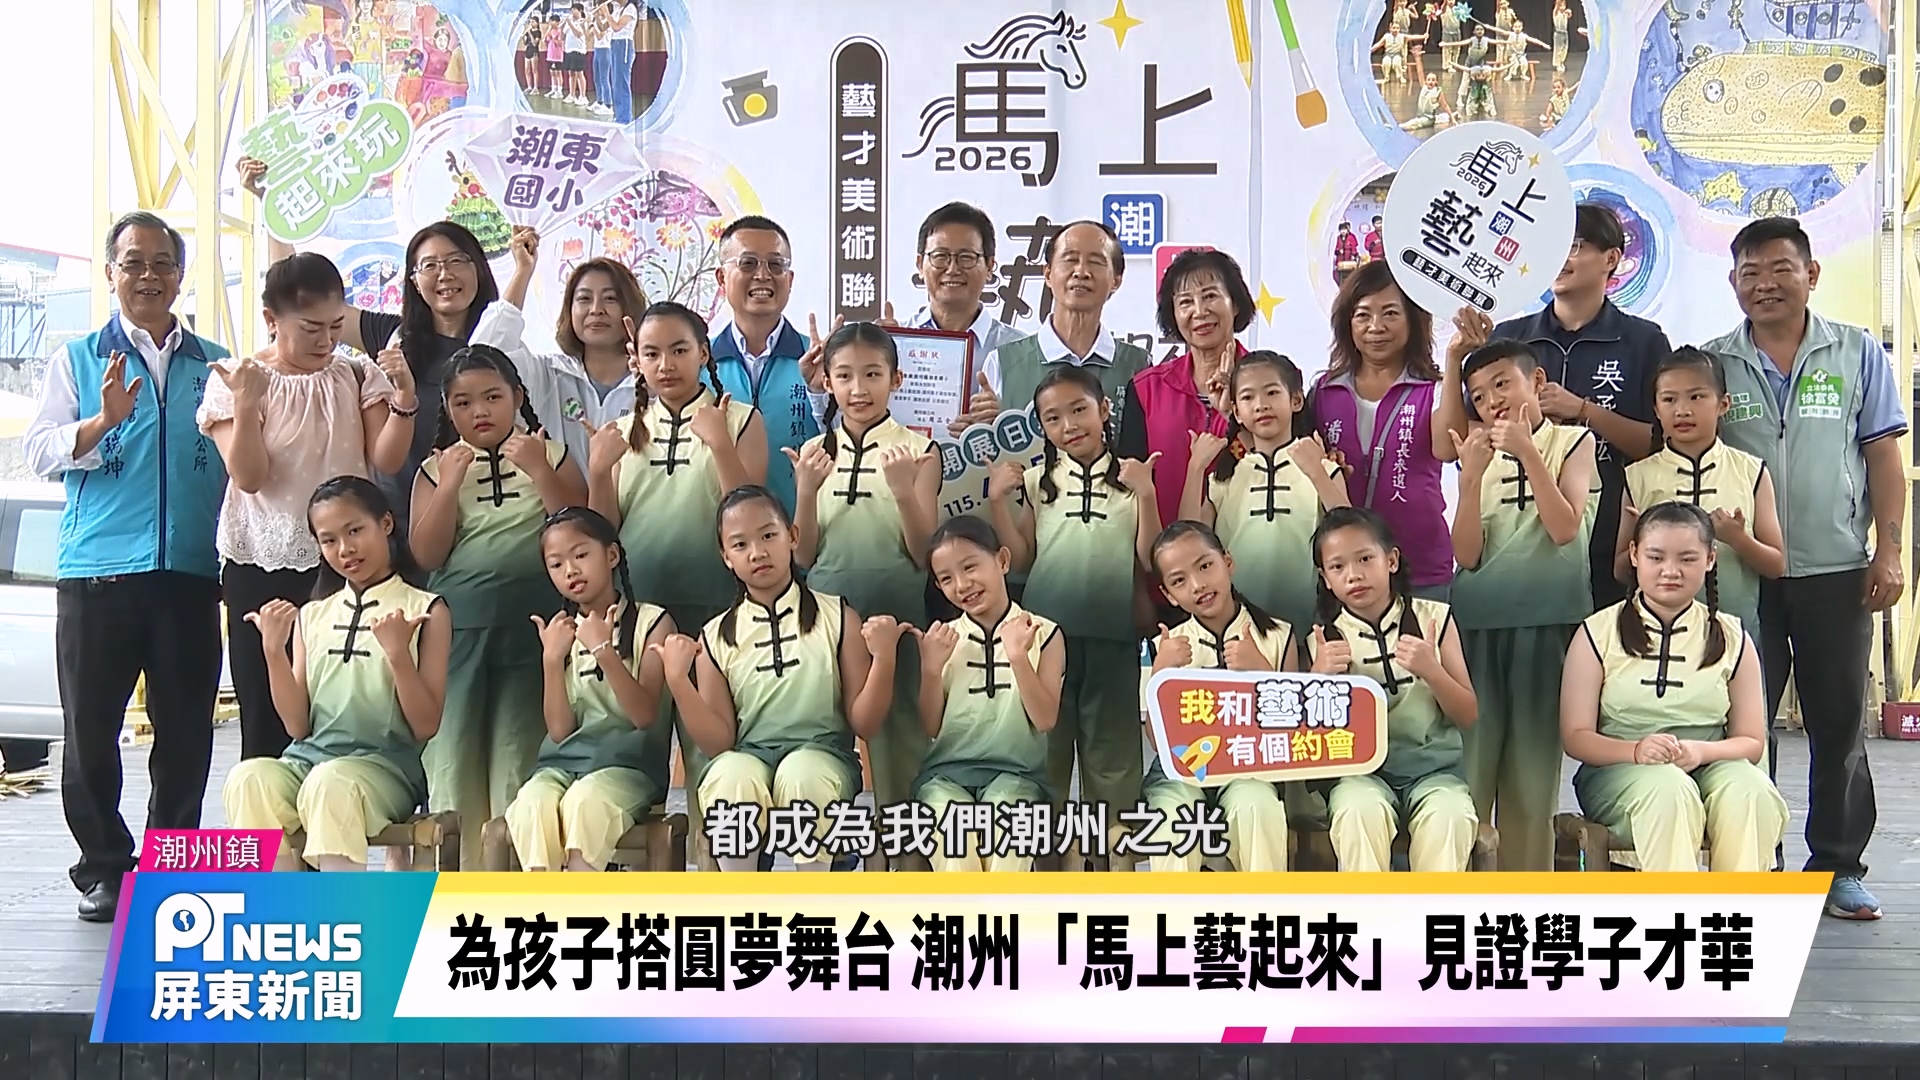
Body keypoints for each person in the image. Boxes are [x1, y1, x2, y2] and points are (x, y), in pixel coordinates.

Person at [23, 211, 229, 921]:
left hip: (190, 574)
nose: (148, 276)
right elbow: (39, 451)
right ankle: (105, 868)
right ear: (111, 272)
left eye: (162, 263)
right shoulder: (78, 357)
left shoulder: (216, 363)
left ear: (180, 274)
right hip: (98, 575)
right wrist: (102, 421)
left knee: (187, 733)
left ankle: (171, 866)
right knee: (89, 734)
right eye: (133, 262)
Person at [1705, 216, 1906, 919]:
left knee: (1839, 722)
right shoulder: (1715, 362)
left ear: (1811, 275)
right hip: (1744, 575)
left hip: (1837, 570)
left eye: (1780, 269)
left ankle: (1837, 867)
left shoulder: (1855, 351)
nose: (1765, 284)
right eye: (1750, 274)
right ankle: (1754, 860)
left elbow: (1883, 456)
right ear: (1733, 283)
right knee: (1744, 724)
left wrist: (1889, 550)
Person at [200, 253, 416, 762]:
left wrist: (404, 399)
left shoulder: (354, 373)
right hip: (262, 563)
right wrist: (247, 404)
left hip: (344, 562)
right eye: (311, 329)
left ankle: (340, 800)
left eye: (336, 326)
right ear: (272, 320)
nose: (326, 341)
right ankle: (267, 808)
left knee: (341, 697)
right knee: (266, 707)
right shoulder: (238, 380)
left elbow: (385, 457)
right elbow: (248, 477)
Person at [586, 301, 767, 840]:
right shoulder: (622, 430)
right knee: (636, 746)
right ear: (636, 360)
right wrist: (598, 471)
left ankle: (724, 871)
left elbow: (749, 512)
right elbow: (603, 533)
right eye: (652, 353)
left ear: (704, 354)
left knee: (716, 748)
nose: (665, 364)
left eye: (679, 350)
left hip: (718, 606)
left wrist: (719, 442)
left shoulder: (741, 419)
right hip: (640, 613)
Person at [240, 159, 504, 530]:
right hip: (393, 519)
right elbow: (299, 297)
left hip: (478, 518)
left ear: (479, 268)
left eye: (457, 261)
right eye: (429, 266)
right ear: (414, 281)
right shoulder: (392, 337)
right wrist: (270, 204)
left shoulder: (497, 343)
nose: (445, 275)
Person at [655, 485, 906, 871]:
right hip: (750, 758)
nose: (757, 552)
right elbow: (719, 742)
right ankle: (744, 899)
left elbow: (865, 724)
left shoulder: (837, 617)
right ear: (725, 557)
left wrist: (885, 659)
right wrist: (677, 680)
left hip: (824, 758)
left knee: (802, 773)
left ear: (792, 536)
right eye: (740, 545)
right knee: (729, 775)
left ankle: (811, 897)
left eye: (768, 535)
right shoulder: (716, 635)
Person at [411, 345, 589, 866]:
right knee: (452, 756)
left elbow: (581, 528)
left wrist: (539, 469)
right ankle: (457, 886)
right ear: (448, 409)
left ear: (517, 396)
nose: (479, 411)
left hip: (533, 628)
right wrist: (448, 485)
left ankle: (515, 885)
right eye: (463, 403)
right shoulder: (435, 468)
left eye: (492, 397)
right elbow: (427, 553)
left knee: (519, 756)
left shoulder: (550, 453)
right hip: (456, 635)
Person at [222, 478, 449, 871]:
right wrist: (273, 652)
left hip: (387, 769)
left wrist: (399, 656)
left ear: (386, 523)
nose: (345, 549)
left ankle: (342, 905)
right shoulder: (312, 615)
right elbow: (297, 726)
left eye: (355, 531)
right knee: (248, 778)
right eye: (329, 540)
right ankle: (278, 901)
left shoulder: (427, 609)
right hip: (308, 762)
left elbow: (426, 725)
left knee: (331, 783)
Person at [1561, 502, 1787, 872]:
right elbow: (1576, 737)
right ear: (1634, 555)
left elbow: (1751, 741)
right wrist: (1637, 750)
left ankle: (1738, 906)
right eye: (1656, 557)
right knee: (1669, 791)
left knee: (1751, 790)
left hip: (1710, 764)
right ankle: (1675, 908)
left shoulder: (1733, 636)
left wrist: (1699, 751)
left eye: (1687, 559)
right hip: (1621, 770)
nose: (1670, 571)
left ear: (1710, 559)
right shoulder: (1596, 632)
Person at [990, 366, 1160, 847]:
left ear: (1104, 410)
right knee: (1046, 755)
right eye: (1053, 418)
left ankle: (1113, 862)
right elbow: (1022, 558)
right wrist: (998, 504)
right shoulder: (1039, 480)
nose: (1069, 426)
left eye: (1079, 410)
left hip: (1113, 635)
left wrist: (1147, 493)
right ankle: (1049, 861)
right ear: (1042, 426)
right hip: (1046, 641)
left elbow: (1149, 557)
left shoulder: (1132, 477)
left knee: (1114, 758)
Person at [1449, 339, 1598, 871]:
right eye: (1479, 396)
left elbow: (1564, 528)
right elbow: (1466, 555)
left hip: (1547, 623)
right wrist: (1469, 480)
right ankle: (1457, 888)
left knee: (1532, 777)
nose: (1492, 401)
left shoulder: (1573, 441)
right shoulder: (1477, 451)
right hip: (1476, 626)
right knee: (1470, 767)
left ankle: (1524, 894)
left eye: (1502, 385)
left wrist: (1529, 452)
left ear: (1535, 383)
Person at [790, 323, 940, 816]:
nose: (859, 389)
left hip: (897, 617)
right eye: (845, 376)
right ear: (827, 381)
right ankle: (830, 847)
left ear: (896, 379)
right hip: (827, 621)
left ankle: (905, 846)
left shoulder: (920, 451)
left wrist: (903, 491)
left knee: (901, 738)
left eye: (873, 374)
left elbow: (924, 555)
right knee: (823, 736)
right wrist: (806, 489)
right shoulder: (814, 453)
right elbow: (803, 556)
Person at [1493, 202, 1671, 610]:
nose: (1559, 257)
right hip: (1519, 538)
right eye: (1551, 245)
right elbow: (1469, 441)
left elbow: (1657, 445)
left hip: (1613, 535)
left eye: (1573, 246)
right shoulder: (1510, 340)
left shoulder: (1644, 341)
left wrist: (1584, 410)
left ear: (1611, 258)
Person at [506, 507, 676, 871]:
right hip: (562, 766)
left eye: (581, 555)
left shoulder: (653, 621)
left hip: (628, 767)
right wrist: (552, 661)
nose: (570, 571)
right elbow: (559, 731)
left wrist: (604, 650)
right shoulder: (561, 632)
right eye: (556, 564)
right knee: (531, 802)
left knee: (585, 802)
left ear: (611, 555)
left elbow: (644, 715)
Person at [1310, 507, 1478, 871]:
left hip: (1435, 774)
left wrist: (1432, 671)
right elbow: (1308, 742)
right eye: (1337, 567)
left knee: (1451, 815)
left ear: (1391, 560)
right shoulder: (1321, 640)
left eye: (1365, 559)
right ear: (1325, 578)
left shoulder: (1436, 619)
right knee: (1358, 810)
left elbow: (1468, 714)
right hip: (1360, 775)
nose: (1354, 575)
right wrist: (1318, 678)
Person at [1311, 261, 1471, 600]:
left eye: (1390, 314)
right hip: (1346, 573)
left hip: (1421, 567)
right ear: (1347, 323)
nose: (1376, 327)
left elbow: (1447, 449)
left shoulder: (1433, 389)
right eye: (1363, 315)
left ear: (1413, 320)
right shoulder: (1324, 391)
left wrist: (1455, 359)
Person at [913, 515, 1065, 872]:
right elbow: (930, 726)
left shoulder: (1045, 633)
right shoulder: (942, 639)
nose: (962, 585)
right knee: (955, 847)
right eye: (946, 578)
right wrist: (931, 670)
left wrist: (1018, 657)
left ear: (1003, 560)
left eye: (970, 567)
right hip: (945, 778)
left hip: (1019, 778)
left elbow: (1045, 719)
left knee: (1006, 842)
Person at [1143, 521, 1297, 872]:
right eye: (1179, 580)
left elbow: (1291, 734)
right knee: (1172, 817)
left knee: (1257, 805)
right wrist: (1161, 674)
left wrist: (1260, 672)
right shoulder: (1164, 646)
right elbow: (1156, 740)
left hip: (1252, 769)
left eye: (1205, 566)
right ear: (1168, 595)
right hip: (1180, 773)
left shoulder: (1278, 636)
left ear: (1228, 563)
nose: (1197, 585)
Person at [1619, 347, 1784, 639]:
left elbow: (1776, 565)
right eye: (1669, 399)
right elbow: (1620, 570)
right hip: (1655, 634)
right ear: (1656, 409)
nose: (1682, 410)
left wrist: (1738, 538)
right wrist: (1646, 541)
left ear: (1724, 404)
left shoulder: (1751, 471)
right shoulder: (1637, 476)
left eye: (1696, 397)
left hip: (1735, 632)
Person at [1183, 351, 1349, 633]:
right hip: (1238, 626)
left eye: (1272, 392)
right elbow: (1187, 540)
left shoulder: (1321, 466)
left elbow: (1351, 531)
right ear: (1236, 412)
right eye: (1248, 397)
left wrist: (1317, 472)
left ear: (1296, 400)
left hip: (1310, 625)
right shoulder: (1226, 475)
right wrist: (1195, 469)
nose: (1261, 405)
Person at [474, 227, 647, 470]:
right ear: (569, 310)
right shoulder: (549, 374)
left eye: (610, 298)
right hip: (559, 495)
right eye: (584, 299)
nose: (596, 309)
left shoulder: (653, 381)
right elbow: (483, 357)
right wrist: (523, 272)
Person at [1118, 247, 1255, 532]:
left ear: (1235, 303)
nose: (1199, 311)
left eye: (1210, 296)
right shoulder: (1146, 390)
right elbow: (1129, 487)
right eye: (1185, 302)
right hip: (1167, 552)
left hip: (1253, 550)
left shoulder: (1272, 382)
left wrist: (1232, 414)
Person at [709, 215, 823, 514]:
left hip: (803, 529)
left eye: (776, 265)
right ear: (721, 278)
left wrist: (822, 392)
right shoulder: (697, 362)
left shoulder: (820, 360)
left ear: (790, 280)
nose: (762, 275)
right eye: (747, 264)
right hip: (716, 533)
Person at [983, 219, 1149, 415]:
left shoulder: (1139, 365)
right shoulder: (1003, 363)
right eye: (1070, 259)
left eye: (1095, 262)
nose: (1081, 272)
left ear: (1116, 280)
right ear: (1048, 274)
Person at [898, 201, 1025, 436]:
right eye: (940, 256)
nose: (953, 268)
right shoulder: (892, 344)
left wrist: (1005, 419)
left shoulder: (1021, 351)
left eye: (966, 257)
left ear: (990, 266)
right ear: (920, 265)